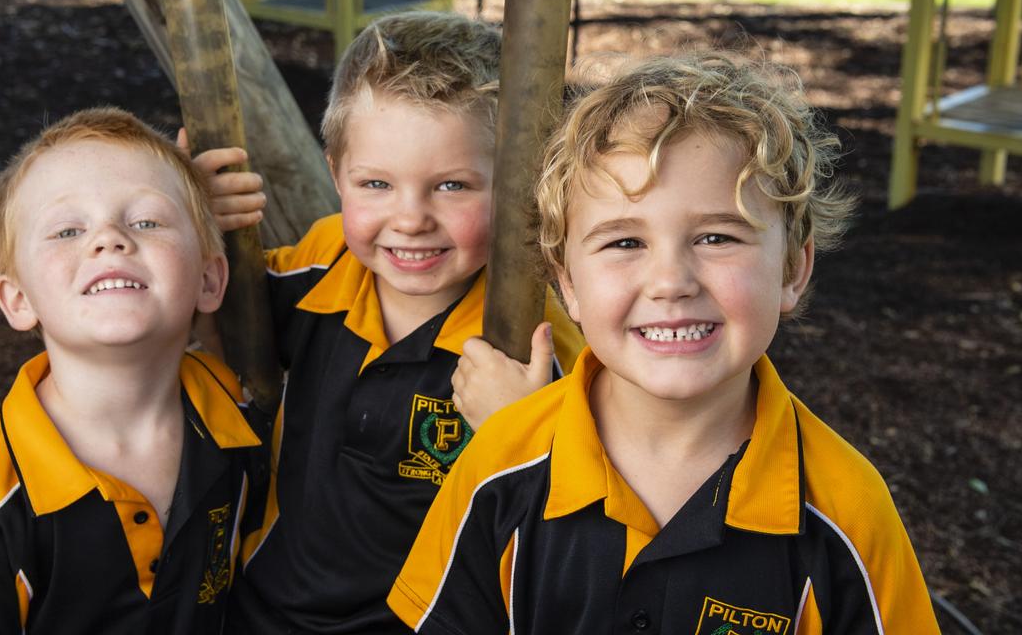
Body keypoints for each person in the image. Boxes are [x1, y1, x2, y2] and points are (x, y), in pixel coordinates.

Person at [388, 52, 942, 634]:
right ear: (568, 283)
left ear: (791, 270)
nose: (671, 282)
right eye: (625, 243)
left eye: (716, 237)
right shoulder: (501, 463)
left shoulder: (845, 510)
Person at [196, 10, 584, 634]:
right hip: (268, 613)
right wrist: (189, 219)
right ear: (335, 176)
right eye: (376, 183)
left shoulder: (531, 342)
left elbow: (582, 517)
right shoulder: (324, 263)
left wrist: (525, 429)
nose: (410, 219)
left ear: (521, 185)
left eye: (452, 186)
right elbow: (203, 307)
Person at [0, 107, 262, 634]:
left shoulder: (241, 421)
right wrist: (171, 215)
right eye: (67, 230)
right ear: (18, 299)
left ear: (210, 280)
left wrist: (194, 204)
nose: (109, 238)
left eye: (145, 222)